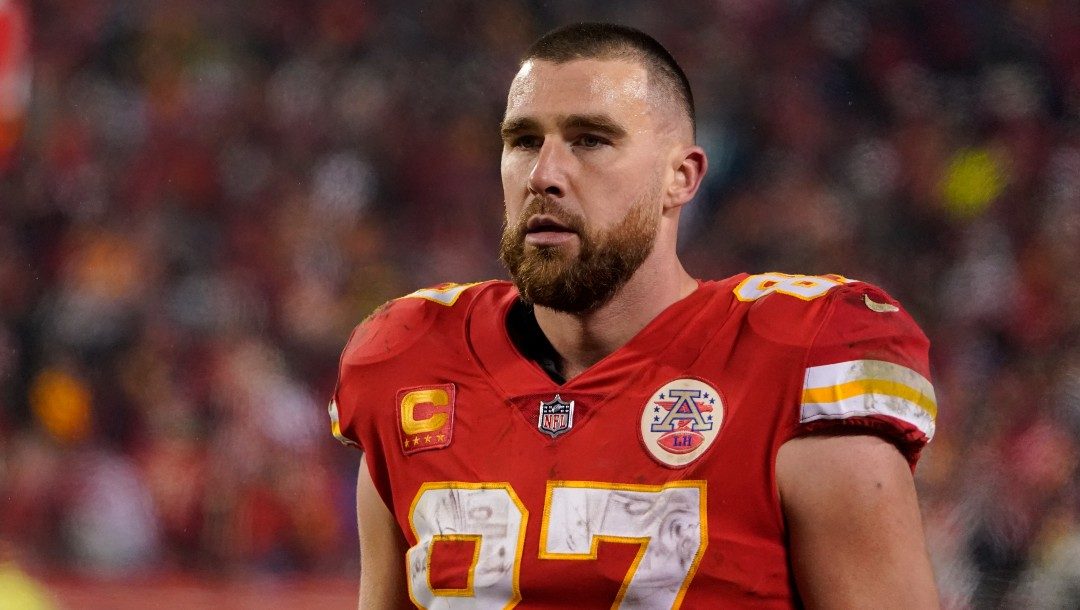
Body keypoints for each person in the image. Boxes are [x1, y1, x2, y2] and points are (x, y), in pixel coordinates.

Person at [329, 22, 940, 609]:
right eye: (522, 142)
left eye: (590, 140)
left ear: (681, 176)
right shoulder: (409, 363)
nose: (544, 175)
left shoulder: (798, 361)